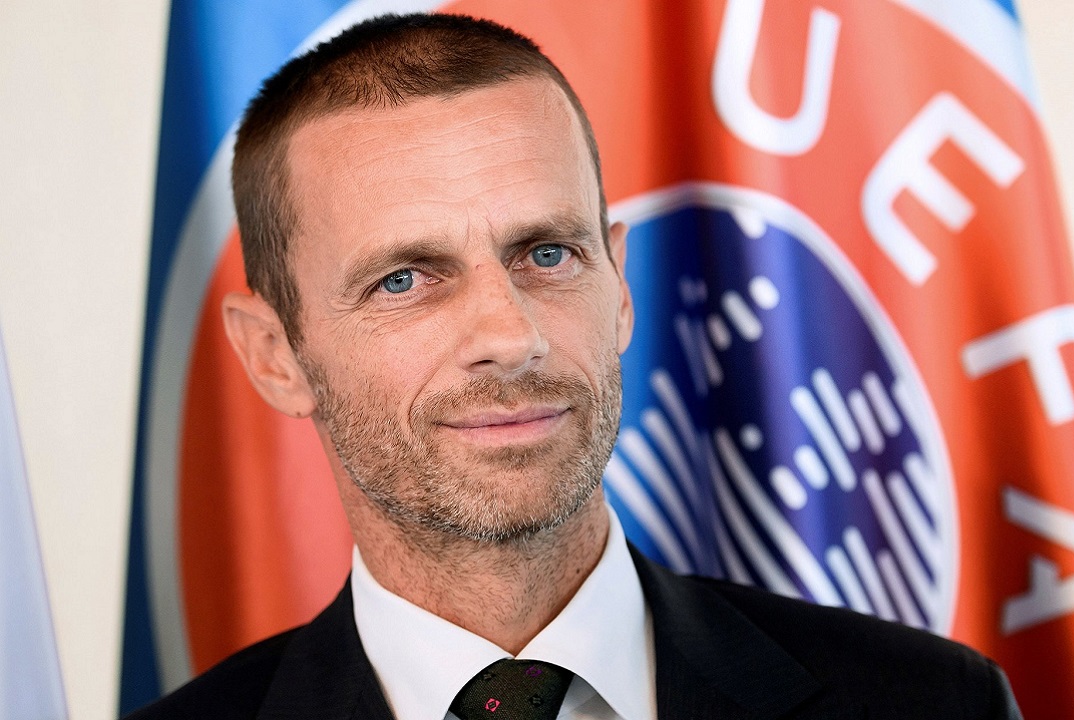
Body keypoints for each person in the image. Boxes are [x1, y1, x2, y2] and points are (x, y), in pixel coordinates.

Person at [125, 12, 1022, 720]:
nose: (511, 335)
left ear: (619, 288)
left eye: (547, 254)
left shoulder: (937, 704)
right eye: (404, 279)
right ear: (275, 356)